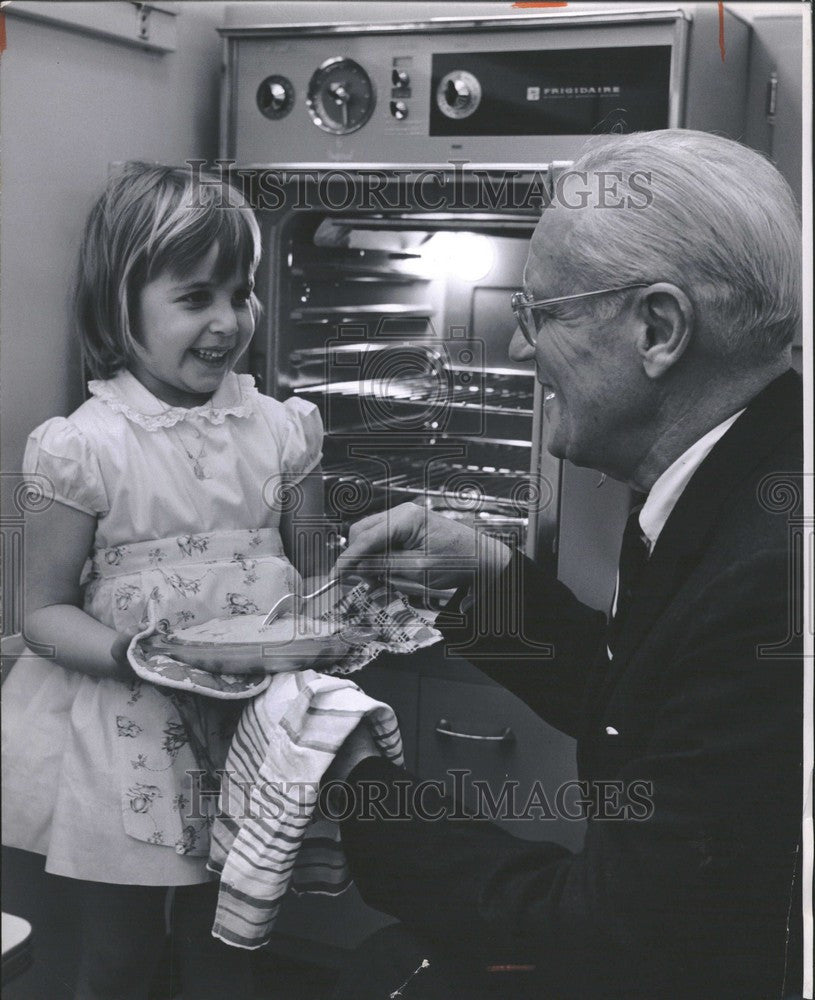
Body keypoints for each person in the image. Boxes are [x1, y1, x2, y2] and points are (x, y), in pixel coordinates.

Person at [327, 130, 804, 999]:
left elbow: (607, 937)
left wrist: (358, 789)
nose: (519, 351)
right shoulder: (732, 468)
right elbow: (644, 706)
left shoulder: (770, 582)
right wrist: (481, 579)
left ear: (657, 328)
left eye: (539, 315)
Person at [1, 163, 327, 999]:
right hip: (130, 737)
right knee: (120, 954)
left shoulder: (283, 430)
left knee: (238, 937)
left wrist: (348, 604)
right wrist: (140, 654)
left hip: (251, 727)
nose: (227, 322)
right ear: (121, 307)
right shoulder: (83, 447)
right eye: (195, 299)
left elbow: (313, 572)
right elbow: (40, 615)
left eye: (241, 292)